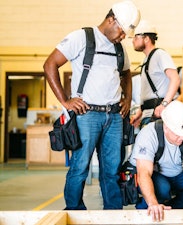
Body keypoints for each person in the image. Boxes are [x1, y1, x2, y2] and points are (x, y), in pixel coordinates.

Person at [43, 0, 140, 210]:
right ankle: (74, 211)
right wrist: (65, 100)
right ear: (111, 19)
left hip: (114, 117)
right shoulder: (82, 38)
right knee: (80, 167)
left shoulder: (119, 48)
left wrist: (126, 99)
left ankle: (113, 214)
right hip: (87, 115)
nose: (123, 37)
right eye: (122, 32)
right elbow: (50, 64)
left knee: (112, 170)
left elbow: (126, 75)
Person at [129, 100, 183, 221]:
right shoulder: (148, 134)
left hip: (177, 173)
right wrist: (153, 203)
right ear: (166, 127)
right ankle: (147, 210)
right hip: (155, 175)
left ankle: (172, 209)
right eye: (178, 134)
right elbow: (144, 173)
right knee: (163, 188)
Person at [130, 20, 181, 128]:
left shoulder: (160, 55)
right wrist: (139, 113)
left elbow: (175, 79)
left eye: (136, 37)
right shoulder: (146, 61)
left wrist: (164, 104)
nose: (133, 41)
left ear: (147, 38)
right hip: (149, 114)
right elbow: (148, 93)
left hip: (159, 114)